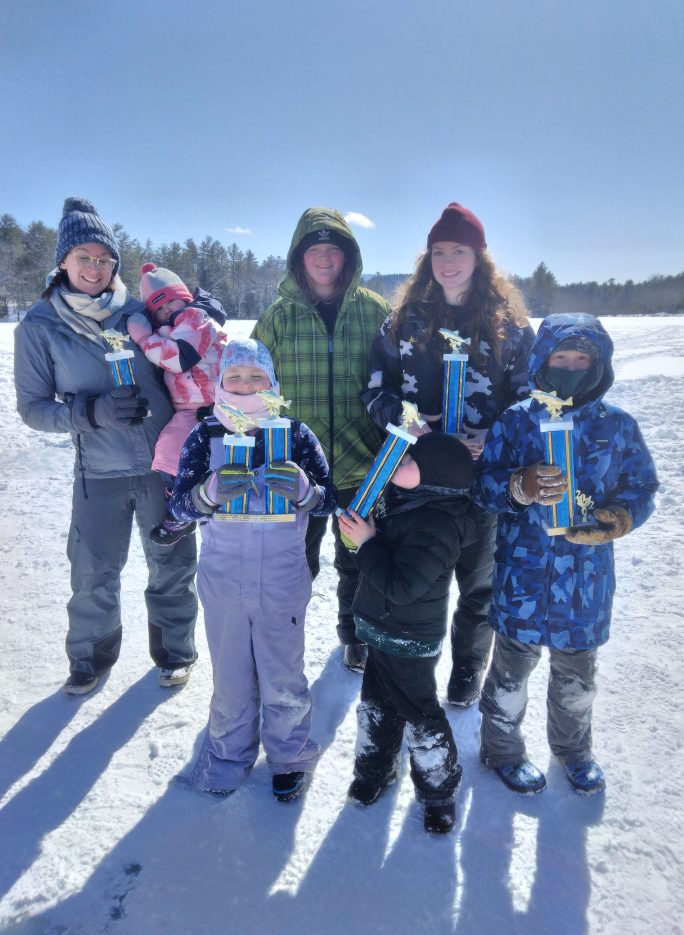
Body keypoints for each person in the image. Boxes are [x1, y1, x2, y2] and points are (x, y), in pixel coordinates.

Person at [14, 197, 198, 695]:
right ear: (63, 262)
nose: (95, 268)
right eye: (84, 258)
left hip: (163, 466)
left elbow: (190, 330)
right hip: (98, 472)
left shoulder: (137, 313)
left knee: (174, 565)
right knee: (92, 572)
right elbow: (32, 408)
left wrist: (206, 313)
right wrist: (88, 412)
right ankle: (91, 657)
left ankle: (175, 652)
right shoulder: (40, 326)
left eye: (104, 259)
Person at [476, 313, 658, 794]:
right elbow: (484, 487)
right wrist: (519, 484)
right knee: (510, 676)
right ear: (542, 360)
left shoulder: (617, 426)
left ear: (599, 365)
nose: (572, 366)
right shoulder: (516, 421)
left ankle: (573, 751)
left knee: (577, 682)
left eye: (582, 358)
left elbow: (641, 487)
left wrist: (617, 518)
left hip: (585, 585)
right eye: (561, 356)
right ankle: (501, 748)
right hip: (523, 579)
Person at [363, 202, 535, 704]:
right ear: (428, 258)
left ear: (479, 257)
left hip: (481, 481)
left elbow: (530, 401)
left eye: (458, 250)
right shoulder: (404, 323)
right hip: (418, 481)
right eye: (439, 251)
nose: (448, 261)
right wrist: (403, 419)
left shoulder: (510, 329)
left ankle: (467, 667)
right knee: (420, 578)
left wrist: (499, 435)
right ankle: (414, 668)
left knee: (478, 587)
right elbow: (375, 390)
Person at [169, 337, 338, 799]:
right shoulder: (205, 435)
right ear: (221, 381)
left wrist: (304, 491)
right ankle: (227, 753)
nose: (245, 385)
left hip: (283, 576)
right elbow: (179, 506)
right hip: (223, 577)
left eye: (256, 376)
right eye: (235, 377)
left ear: (272, 382)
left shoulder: (295, 435)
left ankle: (288, 755)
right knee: (231, 673)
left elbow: (328, 501)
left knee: (283, 670)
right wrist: (206, 494)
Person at [252, 207, 391, 673]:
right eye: (316, 249)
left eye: (335, 249)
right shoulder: (278, 318)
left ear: (348, 256)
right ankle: (283, 634)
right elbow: (252, 384)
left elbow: (398, 378)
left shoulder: (375, 311)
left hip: (361, 463)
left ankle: (354, 635)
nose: (325, 258)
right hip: (298, 468)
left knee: (355, 557)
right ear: (299, 257)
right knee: (294, 561)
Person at [339, 432, 475, 833]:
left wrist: (367, 545)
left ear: (436, 476)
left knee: (421, 717)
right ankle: (375, 770)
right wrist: (358, 536)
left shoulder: (437, 525)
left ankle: (439, 792)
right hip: (380, 630)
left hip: (409, 639)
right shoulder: (402, 503)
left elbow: (401, 586)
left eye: (409, 461)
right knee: (376, 707)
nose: (399, 463)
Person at [126, 263, 228, 545]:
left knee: (224, 456)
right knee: (169, 450)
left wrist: (145, 337)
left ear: (185, 297)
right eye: (159, 309)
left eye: (172, 301)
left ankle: (222, 504)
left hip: (221, 403)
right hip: (189, 410)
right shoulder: (169, 330)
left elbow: (180, 357)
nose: (168, 310)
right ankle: (180, 508)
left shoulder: (198, 318)